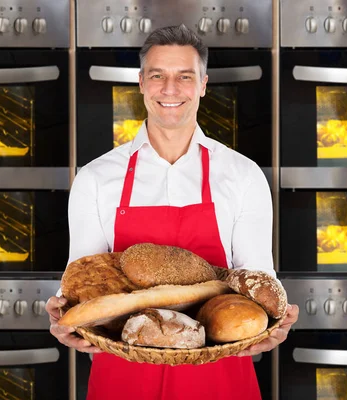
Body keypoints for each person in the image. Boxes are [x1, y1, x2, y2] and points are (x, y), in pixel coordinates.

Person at [47, 24, 299, 400]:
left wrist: (273, 324)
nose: (170, 89)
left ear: (203, 84)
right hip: (123, 375)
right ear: (141, 83)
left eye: (185, 76)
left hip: (219, 378)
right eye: (158, 76)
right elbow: (84, 278)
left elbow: (257, 275)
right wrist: (62, 311)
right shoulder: (97, 177)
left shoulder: (241, 174)